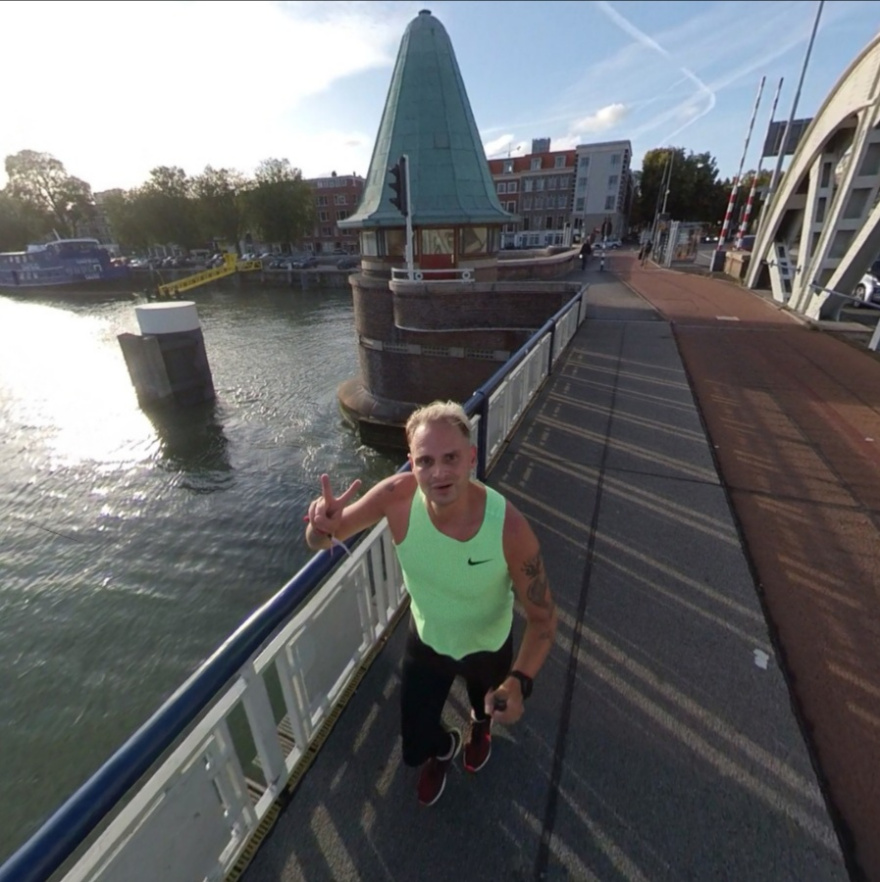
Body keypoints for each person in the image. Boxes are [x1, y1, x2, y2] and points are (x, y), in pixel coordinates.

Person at [304, 400, 557, 807]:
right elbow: (325, 539)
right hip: (427, 641)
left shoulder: (509, 528)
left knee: (485, 708)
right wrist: (320, 527)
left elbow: (544, 619)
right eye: (425, 461)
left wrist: (519, 680)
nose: (438, 473)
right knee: (415, 742)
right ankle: (443, 748)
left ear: (471, 457)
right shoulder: (395, 498)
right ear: (411, 464)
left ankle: (478, 726)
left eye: (451, 458)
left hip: (487, 646)